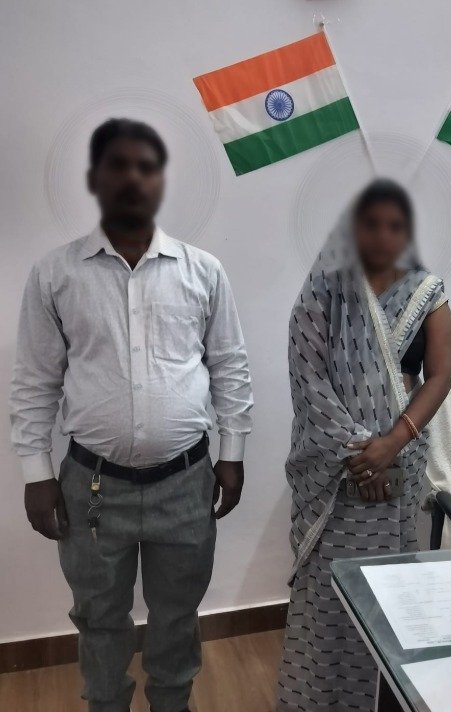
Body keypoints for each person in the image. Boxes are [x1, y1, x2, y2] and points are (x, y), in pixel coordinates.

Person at [9, 118, 253, 712]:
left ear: (160, 181)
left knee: (178, 614)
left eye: (147, 167)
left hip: (186, 482)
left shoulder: (202, 270)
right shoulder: (57, 274)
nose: (133, 178)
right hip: (92, 486)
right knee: (98, 617)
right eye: (118, 165)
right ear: (95, 178)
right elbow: (36, 381)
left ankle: (172, 703)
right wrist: (35, 474)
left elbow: (229, 367)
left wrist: (233, 454)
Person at [277, 179, 451, 710]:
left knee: (386, 594)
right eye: (371, 224)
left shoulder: (429, 293)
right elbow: (307, 379)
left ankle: (381, 700)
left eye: (395, 226)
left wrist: (391, 446)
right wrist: (362, 452)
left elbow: (439, 378)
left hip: (400, 466)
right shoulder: (323, 289)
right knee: (328, 595)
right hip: (335, 470)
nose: (382, 236)